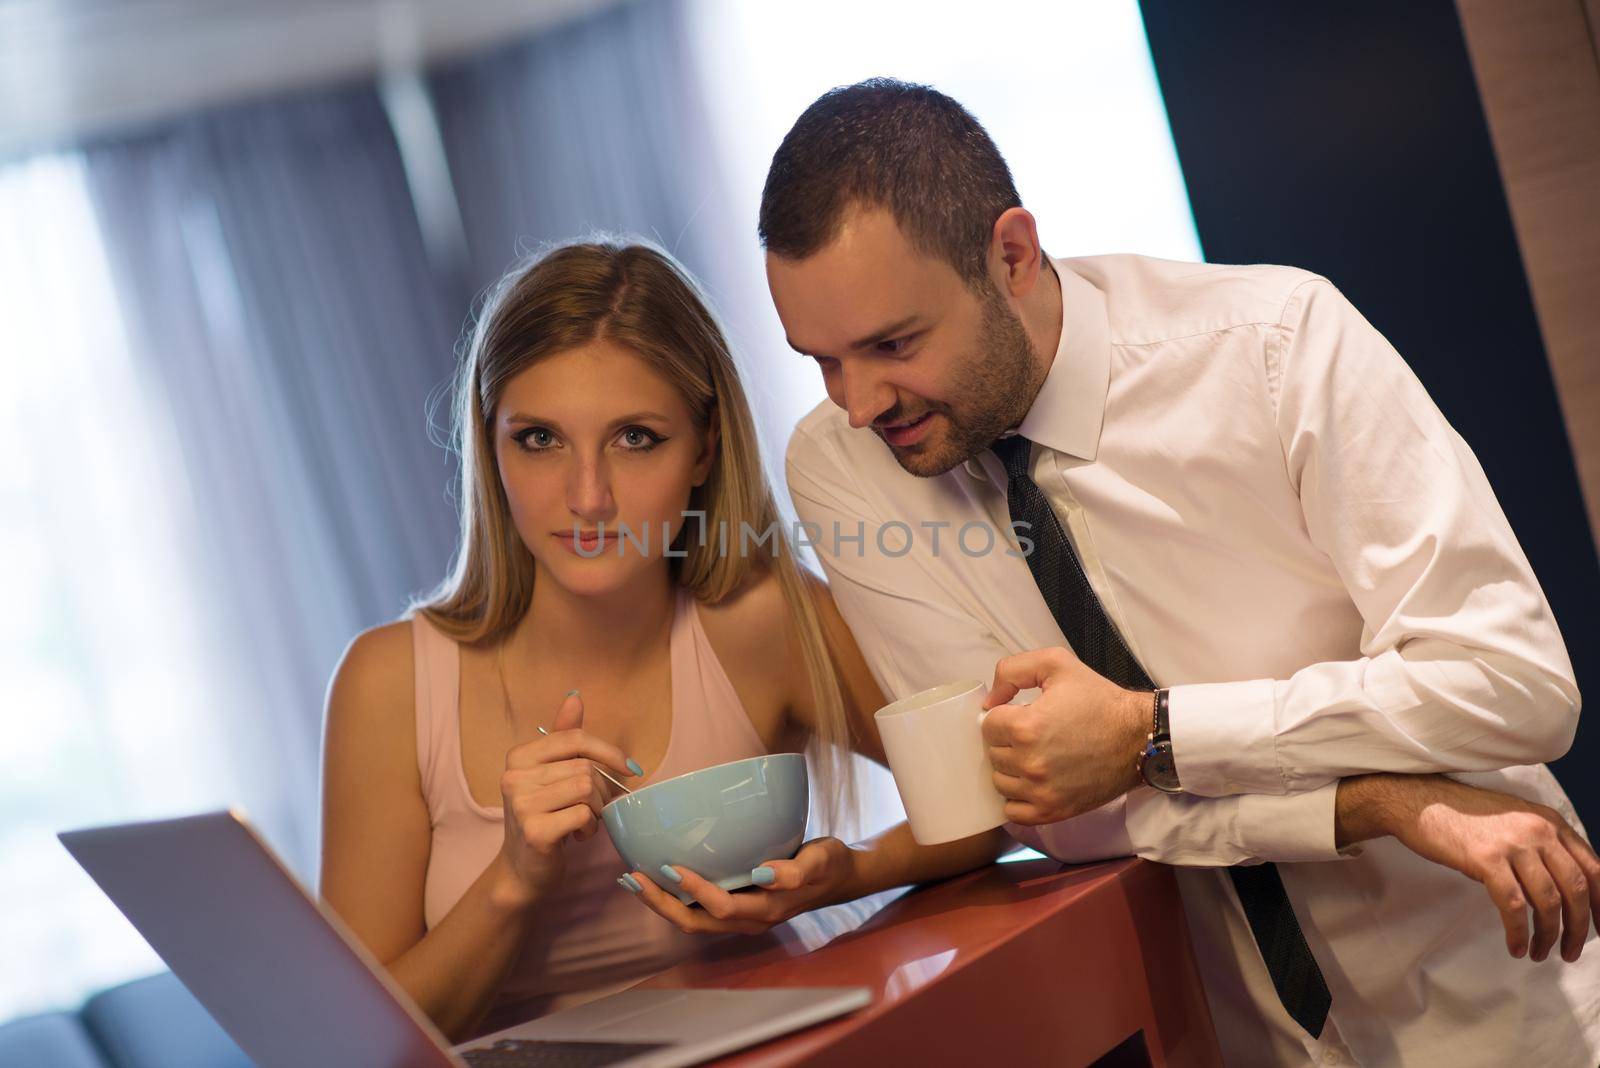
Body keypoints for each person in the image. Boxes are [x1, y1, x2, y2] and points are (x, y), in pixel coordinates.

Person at [767, 79, 1600, 1065]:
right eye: (819, 361)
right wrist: (1384, 799)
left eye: (892, 345)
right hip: (1234, 1036)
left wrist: (1151, 734)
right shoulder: (840, 464)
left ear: (1012, 255)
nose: (858, 403)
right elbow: (1048, 806)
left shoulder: (1277, 345)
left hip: (1507, 1004)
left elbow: (1514, 686)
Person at [317, 240, 1009, 1042]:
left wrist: (843, 874)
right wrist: (514, 881)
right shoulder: (388, 683)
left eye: (635, 437)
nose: (588, 497)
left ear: (705, 448)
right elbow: (355, 1046)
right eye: (538, 439)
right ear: (489, 446)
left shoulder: (763, 621)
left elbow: (989, 810)